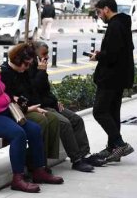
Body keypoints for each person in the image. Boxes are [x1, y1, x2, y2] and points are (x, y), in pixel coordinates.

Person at [0, 42, 63, 193]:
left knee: (34, 129)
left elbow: (1, 90)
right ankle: (18, 178)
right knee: (18, 134)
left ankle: (38, 170)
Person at [32, 41, 104, 170]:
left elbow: (46, 91)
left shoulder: (40, 67)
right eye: (44, 54)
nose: (47, 57)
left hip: (50, 105)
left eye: (48, 54)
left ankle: (83, 154)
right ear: (35, 54)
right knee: (65, 123)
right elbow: (35, 91)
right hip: (39, 107)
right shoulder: (30, 68)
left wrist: (55, 101)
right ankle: (76, 159)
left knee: (77, 120)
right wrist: (41, 71)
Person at [0, 43, 64, 168]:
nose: (28, 67)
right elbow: (9, 101)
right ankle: (36, 164)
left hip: (27, 107)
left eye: (30, 64)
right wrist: (29, 108)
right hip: (15, 112)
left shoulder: (23, 71)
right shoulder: (5, 73)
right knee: (41, 120)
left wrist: (38, 106)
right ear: (18, 60)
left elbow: (33, 91)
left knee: (52, 118)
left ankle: (41, 162)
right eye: (26, 64)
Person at [89, 0, 135, 163]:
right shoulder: (122, 24)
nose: (99, 15)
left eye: (99, 12)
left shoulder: (115, 26)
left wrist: (98, 55)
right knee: (113, 112)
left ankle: (119, 143)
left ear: (107, 9)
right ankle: (113, 148)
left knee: (100, 111)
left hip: (111, 77)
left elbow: (114, 55)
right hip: (119, 77)